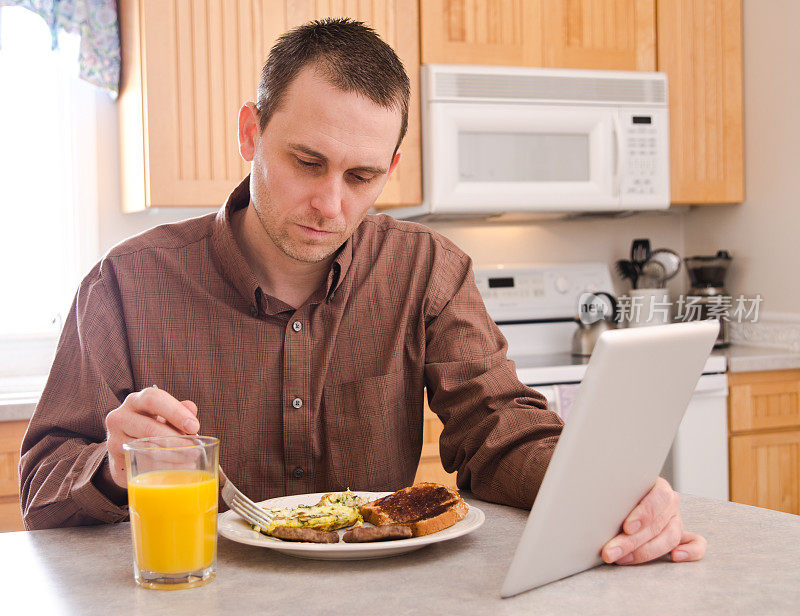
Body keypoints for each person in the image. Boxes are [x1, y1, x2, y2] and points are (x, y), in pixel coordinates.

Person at [20, 18, 704, 566]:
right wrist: (112, 465)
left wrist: (610, 489)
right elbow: (42, 487)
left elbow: (500, 432)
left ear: (392, 169)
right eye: (306, 162)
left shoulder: (427, 271)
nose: (331, 205)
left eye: (362, 176)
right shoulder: (126, 284)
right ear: (250, 132)